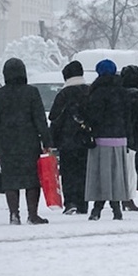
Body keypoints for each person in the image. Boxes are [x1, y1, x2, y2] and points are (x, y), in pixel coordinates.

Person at [0, 58, 53, 225]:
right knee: (32, 180)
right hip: (29, 142)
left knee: (10, 180)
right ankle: (32, 214)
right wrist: (46, 142)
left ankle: (14, 215)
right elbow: (40, 119)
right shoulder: (31, 92)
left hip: (7, 144)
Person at [83, 59, 132, 221]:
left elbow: (93, 116)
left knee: (102, 175)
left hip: (101, 138)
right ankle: (116, 207)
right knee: (116, 175)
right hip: (120, 137)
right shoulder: (122, 91)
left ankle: (97, 208)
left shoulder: (96, 92)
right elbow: (128, 116)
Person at [48, 60, 91, 215]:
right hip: (86, 140)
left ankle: (71, 201)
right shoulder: (89, 91)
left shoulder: (63, 94)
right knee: (84, 172)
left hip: (67, 141)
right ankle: (83, 203)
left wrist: (52, 141)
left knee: (68, 172)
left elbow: (54, 117)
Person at [119, 64, 138, 212]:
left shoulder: (120, 93)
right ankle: (128, 198)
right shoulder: (137, 95)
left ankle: (122, 198)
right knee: (131, 170)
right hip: (135, 137)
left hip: (119, 135)